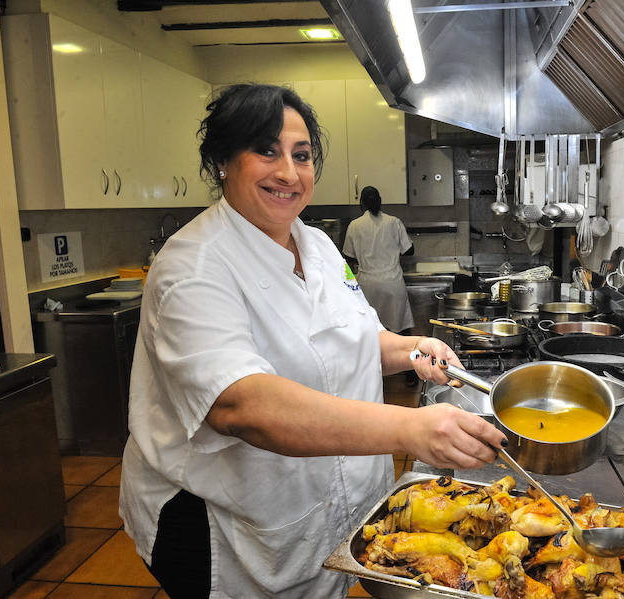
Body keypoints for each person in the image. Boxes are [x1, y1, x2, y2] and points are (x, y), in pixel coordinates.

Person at [118, 83, 506, 599]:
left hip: (325, 512)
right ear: (222, 162)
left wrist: (413, 351)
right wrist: (411, 428)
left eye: (301, 156)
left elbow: (357, 335)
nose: (288, 172)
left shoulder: (317, 243)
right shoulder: (193, 266)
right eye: (266, 151)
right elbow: (242, 405)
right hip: (228, 530)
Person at [342, 186, 418, 385]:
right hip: (392, 283)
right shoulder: (394, 222)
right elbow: (409, 251)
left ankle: (372, 378)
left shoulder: (354, 225)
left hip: (367, 285)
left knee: (370, 333)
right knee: (401, 330)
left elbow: (347, 257)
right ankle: (410, 376)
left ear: (362, 204)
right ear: (380, 200)